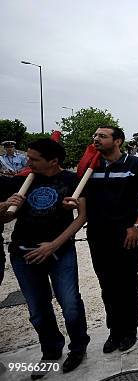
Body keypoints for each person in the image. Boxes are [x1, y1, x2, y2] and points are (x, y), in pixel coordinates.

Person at [0, 139, 89, 378]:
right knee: (38, 308)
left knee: (69, 303)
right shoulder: (23, 181)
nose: (28, 163)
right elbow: (5, 219)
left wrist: (54, 245)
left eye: (34, 159)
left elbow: (81, 217)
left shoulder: (71, 181)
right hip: (23, 252)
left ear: (53, 161)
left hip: (59, 251)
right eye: (28, 157)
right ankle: (50, 350)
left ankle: (78, 347)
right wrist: (6, 205)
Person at [83, 125, 138, 353]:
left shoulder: (136, 165)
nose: (96, 139)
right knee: (106, 284)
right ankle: (114, 331)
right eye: (95, 135)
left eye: (102, 136)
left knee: (126, 282)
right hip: (97, 236)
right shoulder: (90, 167)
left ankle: (130, 329)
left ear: (118, 141)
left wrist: (137, 225)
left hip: (127, 236)